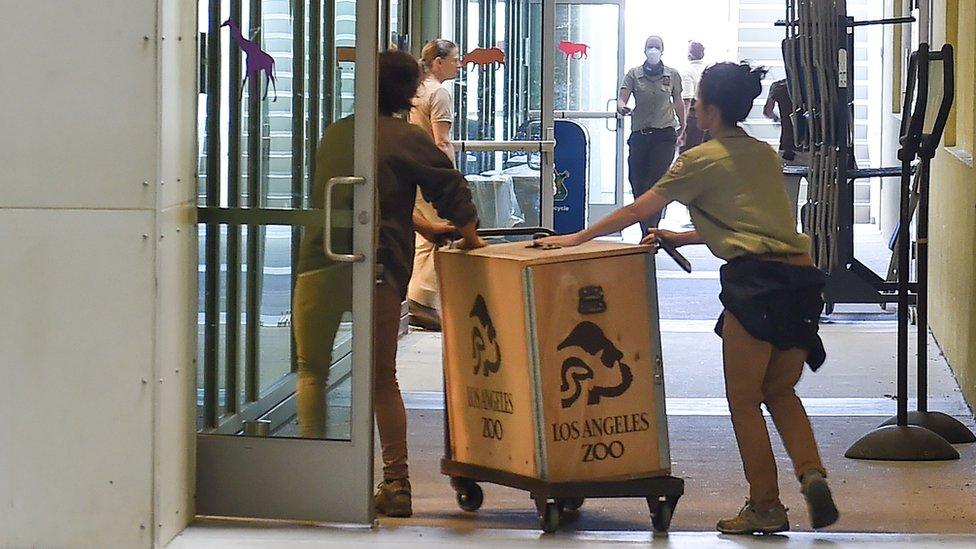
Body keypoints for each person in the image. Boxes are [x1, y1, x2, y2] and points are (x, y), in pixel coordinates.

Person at [540, 62, 839, 535]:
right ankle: (812, 472)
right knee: (780, 390)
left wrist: (575, 238)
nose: (692, 107)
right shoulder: (763, 155)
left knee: (743, 401)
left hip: (756, 287)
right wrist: (684, 236)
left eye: (697, 101)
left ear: (711, 111)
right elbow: (758, 228)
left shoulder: (698, 160)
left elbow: (639, 207)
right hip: (801, 284)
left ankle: (766, 505)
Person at [293, 49, 485, 518]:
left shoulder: (338, 132)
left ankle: (313, 481)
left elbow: (362, 196)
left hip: (320, 262)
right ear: (410, 91)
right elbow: (450, 188)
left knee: (312, 370)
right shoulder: (406, 137)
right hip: (375, 269)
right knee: (382, 378)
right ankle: (396, 485)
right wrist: (471, 238)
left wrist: (422, 226)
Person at [407, 39, 463, 332]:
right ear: (438, 62)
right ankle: (422, 300)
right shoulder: (439, 93)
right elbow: (442, 140)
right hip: (432, 174)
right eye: (455, 59)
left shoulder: (417, 90)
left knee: (424, 235)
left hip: (414, 171)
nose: (459, 63)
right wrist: (449, 177)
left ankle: (420, 298)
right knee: (438, 233)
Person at [618, 35, 686, 232]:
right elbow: (622, 98)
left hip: (664, 135)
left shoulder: (672, 74)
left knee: (656, 182)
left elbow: (678, 101)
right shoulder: (634, 74)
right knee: (638, 182)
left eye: (657, 47)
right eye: (650, 47)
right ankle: (644, 228)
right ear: (644, 50)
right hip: (640, 135)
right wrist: (622, 107)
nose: (653, 50)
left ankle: (652, 228)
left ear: (662, 50)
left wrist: (683, 125)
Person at [764, 78, 803, 224]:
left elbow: (767, 111)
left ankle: (791, 242)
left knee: (788, 207)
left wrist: (777, 118)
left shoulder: (779, 86)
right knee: (818, 202)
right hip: (815, 150)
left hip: (788, 151)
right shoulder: (817, 84)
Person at [679, 40, 707, 153]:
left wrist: (683, 127)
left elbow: (687, 101)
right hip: (709, 119)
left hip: (693, 119)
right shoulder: (708, 70)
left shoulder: (687, 72)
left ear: (689, 55)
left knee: (688, 154)